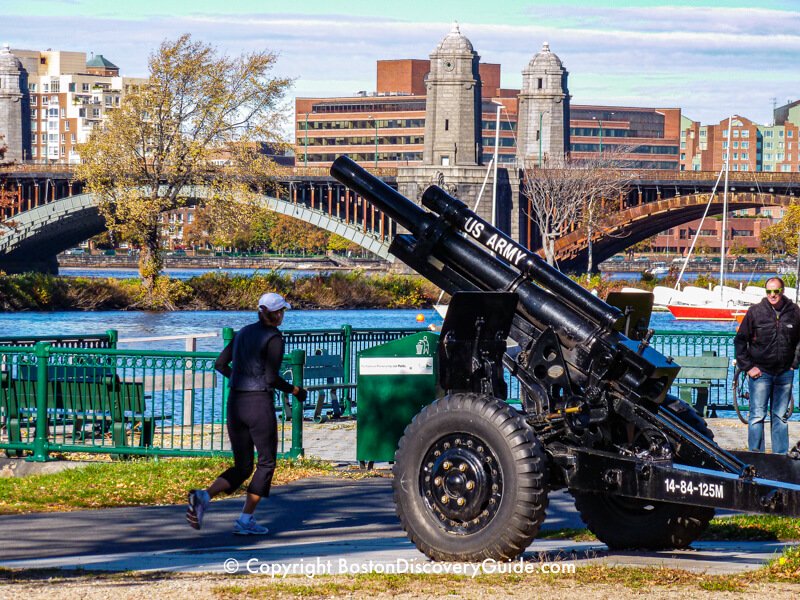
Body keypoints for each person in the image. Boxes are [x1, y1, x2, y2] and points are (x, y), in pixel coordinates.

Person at [186, 292, 307, 534]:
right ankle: (245, 520)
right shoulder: (274, 338)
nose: (283, 315)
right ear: (271, 313)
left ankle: (204, 497)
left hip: (235, 403)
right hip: (258, 404)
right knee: (266, 462)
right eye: (280, 311)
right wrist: (295, 390)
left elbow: (220, 364)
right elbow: (271, 378)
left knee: (243, 465)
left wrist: (240, 379)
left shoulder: (242, 333)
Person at [734, 277, 800, 454]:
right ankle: (756, 456)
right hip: (760, 373)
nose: (772, 295)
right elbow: (740, 341)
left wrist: (794, 362)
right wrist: (748, 367)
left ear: (782, 291)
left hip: (784, 373)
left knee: (780, 417)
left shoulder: (794, 312)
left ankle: (780, 458)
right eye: (769, 291)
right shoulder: (755, 312)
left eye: (776, 291)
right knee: (757, 416)